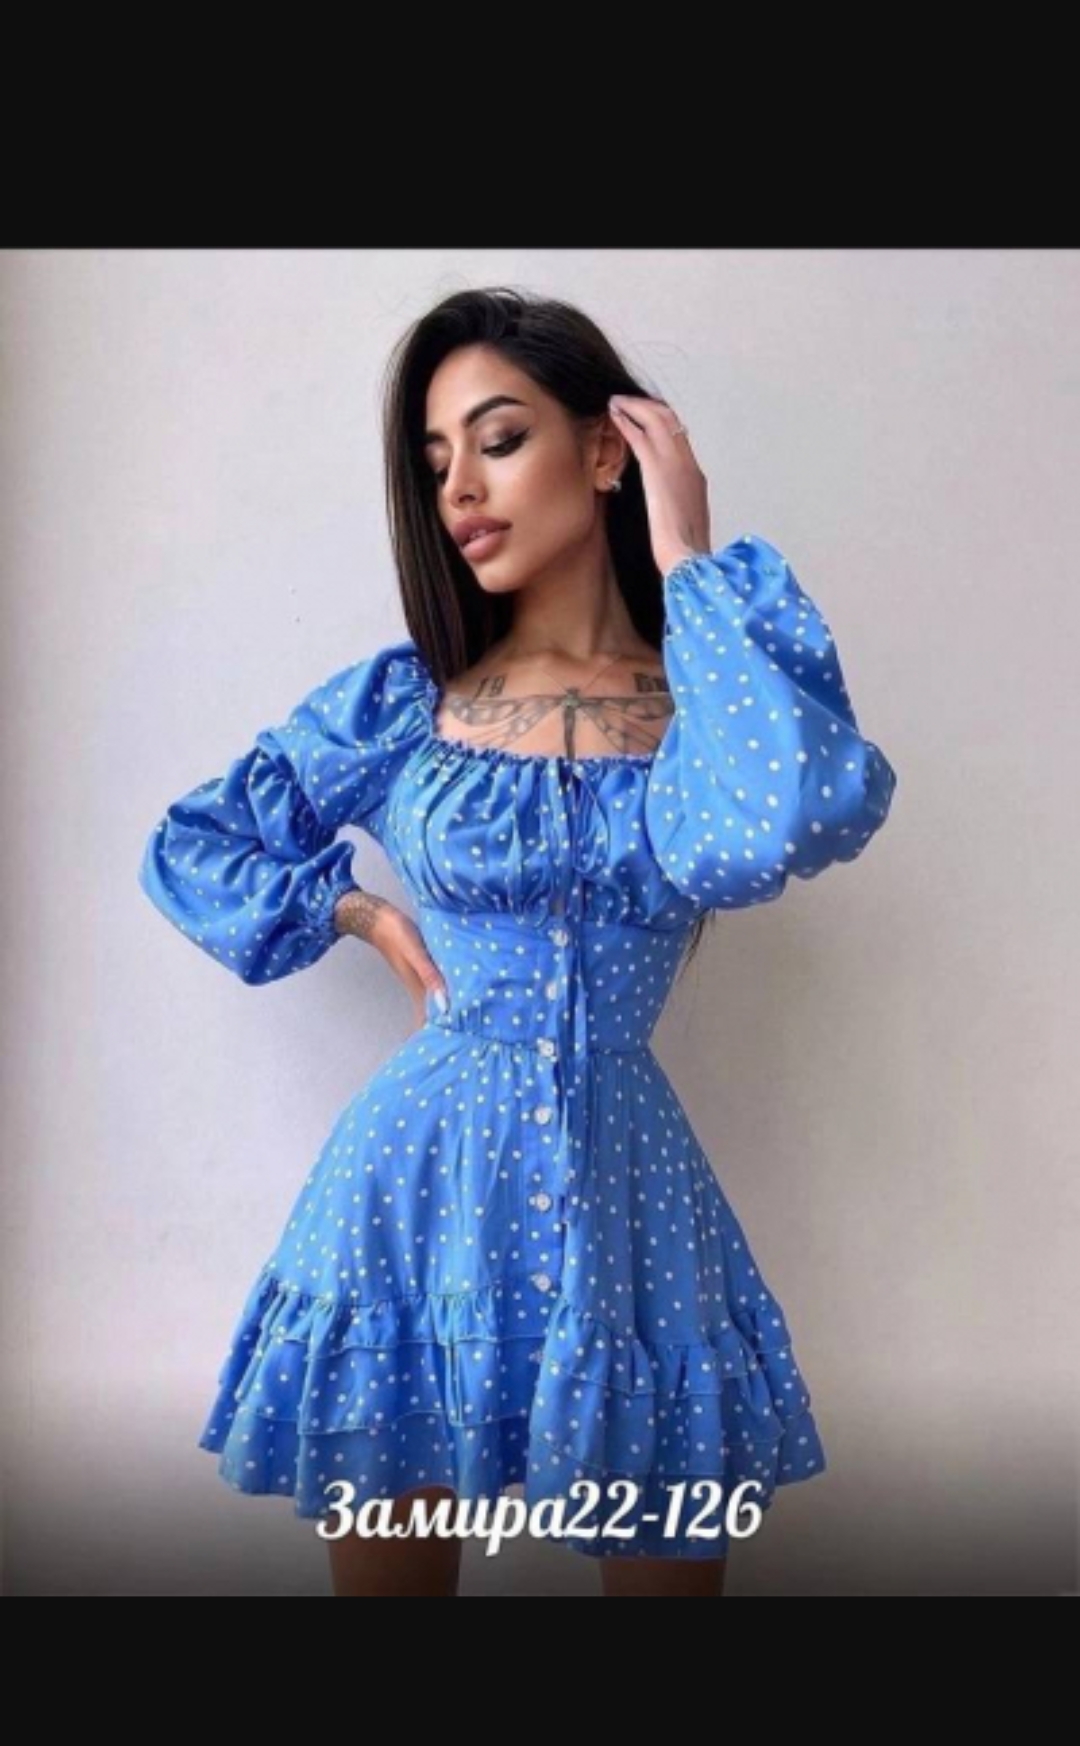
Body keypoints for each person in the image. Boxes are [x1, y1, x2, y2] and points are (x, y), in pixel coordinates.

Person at [138, 287, 898, 1598]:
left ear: (603, 450)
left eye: (497, 440)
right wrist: (361, 913)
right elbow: (195, 842)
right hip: (408, 1196)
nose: (460, 489)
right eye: (436, 460)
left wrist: (689, 553)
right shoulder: (403, 704)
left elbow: (797, 814)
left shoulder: (710, 709)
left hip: (633, 1200)